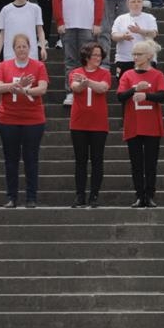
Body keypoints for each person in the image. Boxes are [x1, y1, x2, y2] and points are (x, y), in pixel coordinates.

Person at [0, 32, 49, 209]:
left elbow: (42, 89)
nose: (21, 50)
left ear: (29, 47)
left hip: (33, 119)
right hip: (8, 117)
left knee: (31, 158)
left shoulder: (38, 66)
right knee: (11, 159)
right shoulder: (4, 66)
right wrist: (13, 87)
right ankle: (11, 197)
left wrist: (25, 91)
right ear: (13, 49)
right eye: (18, 47)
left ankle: (31, 197)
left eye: (24, 46)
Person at [118, 39, 164, 209]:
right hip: (133, 125)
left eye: (139, 54)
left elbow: (162, 95)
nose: (135, 57)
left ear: (149, 56)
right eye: (134, 54)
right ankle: (139, 195)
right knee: (136, 163)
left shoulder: (157, 75)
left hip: (151, 125)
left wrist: (146, 96)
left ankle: (150, 195)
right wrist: (135, 89)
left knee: (150, 163)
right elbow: (120, 97)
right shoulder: (127, 75)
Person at [66, 40, 112, 209]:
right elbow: (75, 88)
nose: (98, 58)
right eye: (95, 55)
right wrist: (83, 82)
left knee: (97, 160)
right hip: (79, 123)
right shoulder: (75, 72)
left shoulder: (105, 73)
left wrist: (88, 81)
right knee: (80, 161)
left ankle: (94, 195)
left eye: (100, 55)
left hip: (99, 123)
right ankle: (80, 195)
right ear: (86, 56)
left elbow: (102, 88)